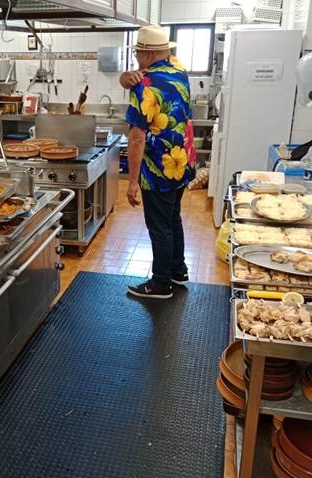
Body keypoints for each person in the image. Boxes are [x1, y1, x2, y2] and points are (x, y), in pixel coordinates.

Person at [120, 25, 197, 299]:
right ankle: (178, 271)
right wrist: (124, 77)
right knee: (172, 218)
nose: (136, 58)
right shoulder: (179, 69)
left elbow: (137, 138)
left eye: (138, 53)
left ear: (149, 54)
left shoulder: (144, 85)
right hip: (181, 162)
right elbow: (133, 77)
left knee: (159, 227)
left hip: (159, 169)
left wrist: (132, 182)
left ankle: (161, 284)